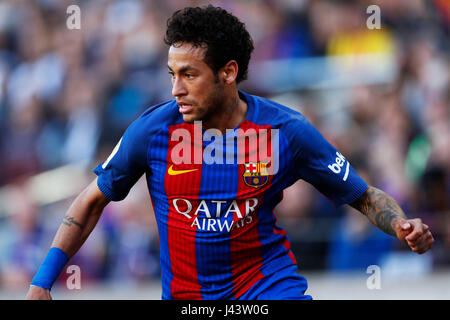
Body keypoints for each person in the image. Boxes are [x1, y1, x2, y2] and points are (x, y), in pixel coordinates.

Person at [26, 5, 434, 300]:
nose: (175, 89)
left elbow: (363, 195)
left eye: (189, 74)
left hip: (268, 289)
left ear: (229, 71)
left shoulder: (286, 131)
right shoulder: (152, 129)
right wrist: (42, 282)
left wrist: (400, 224)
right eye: (172, 74)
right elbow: (91, 201)